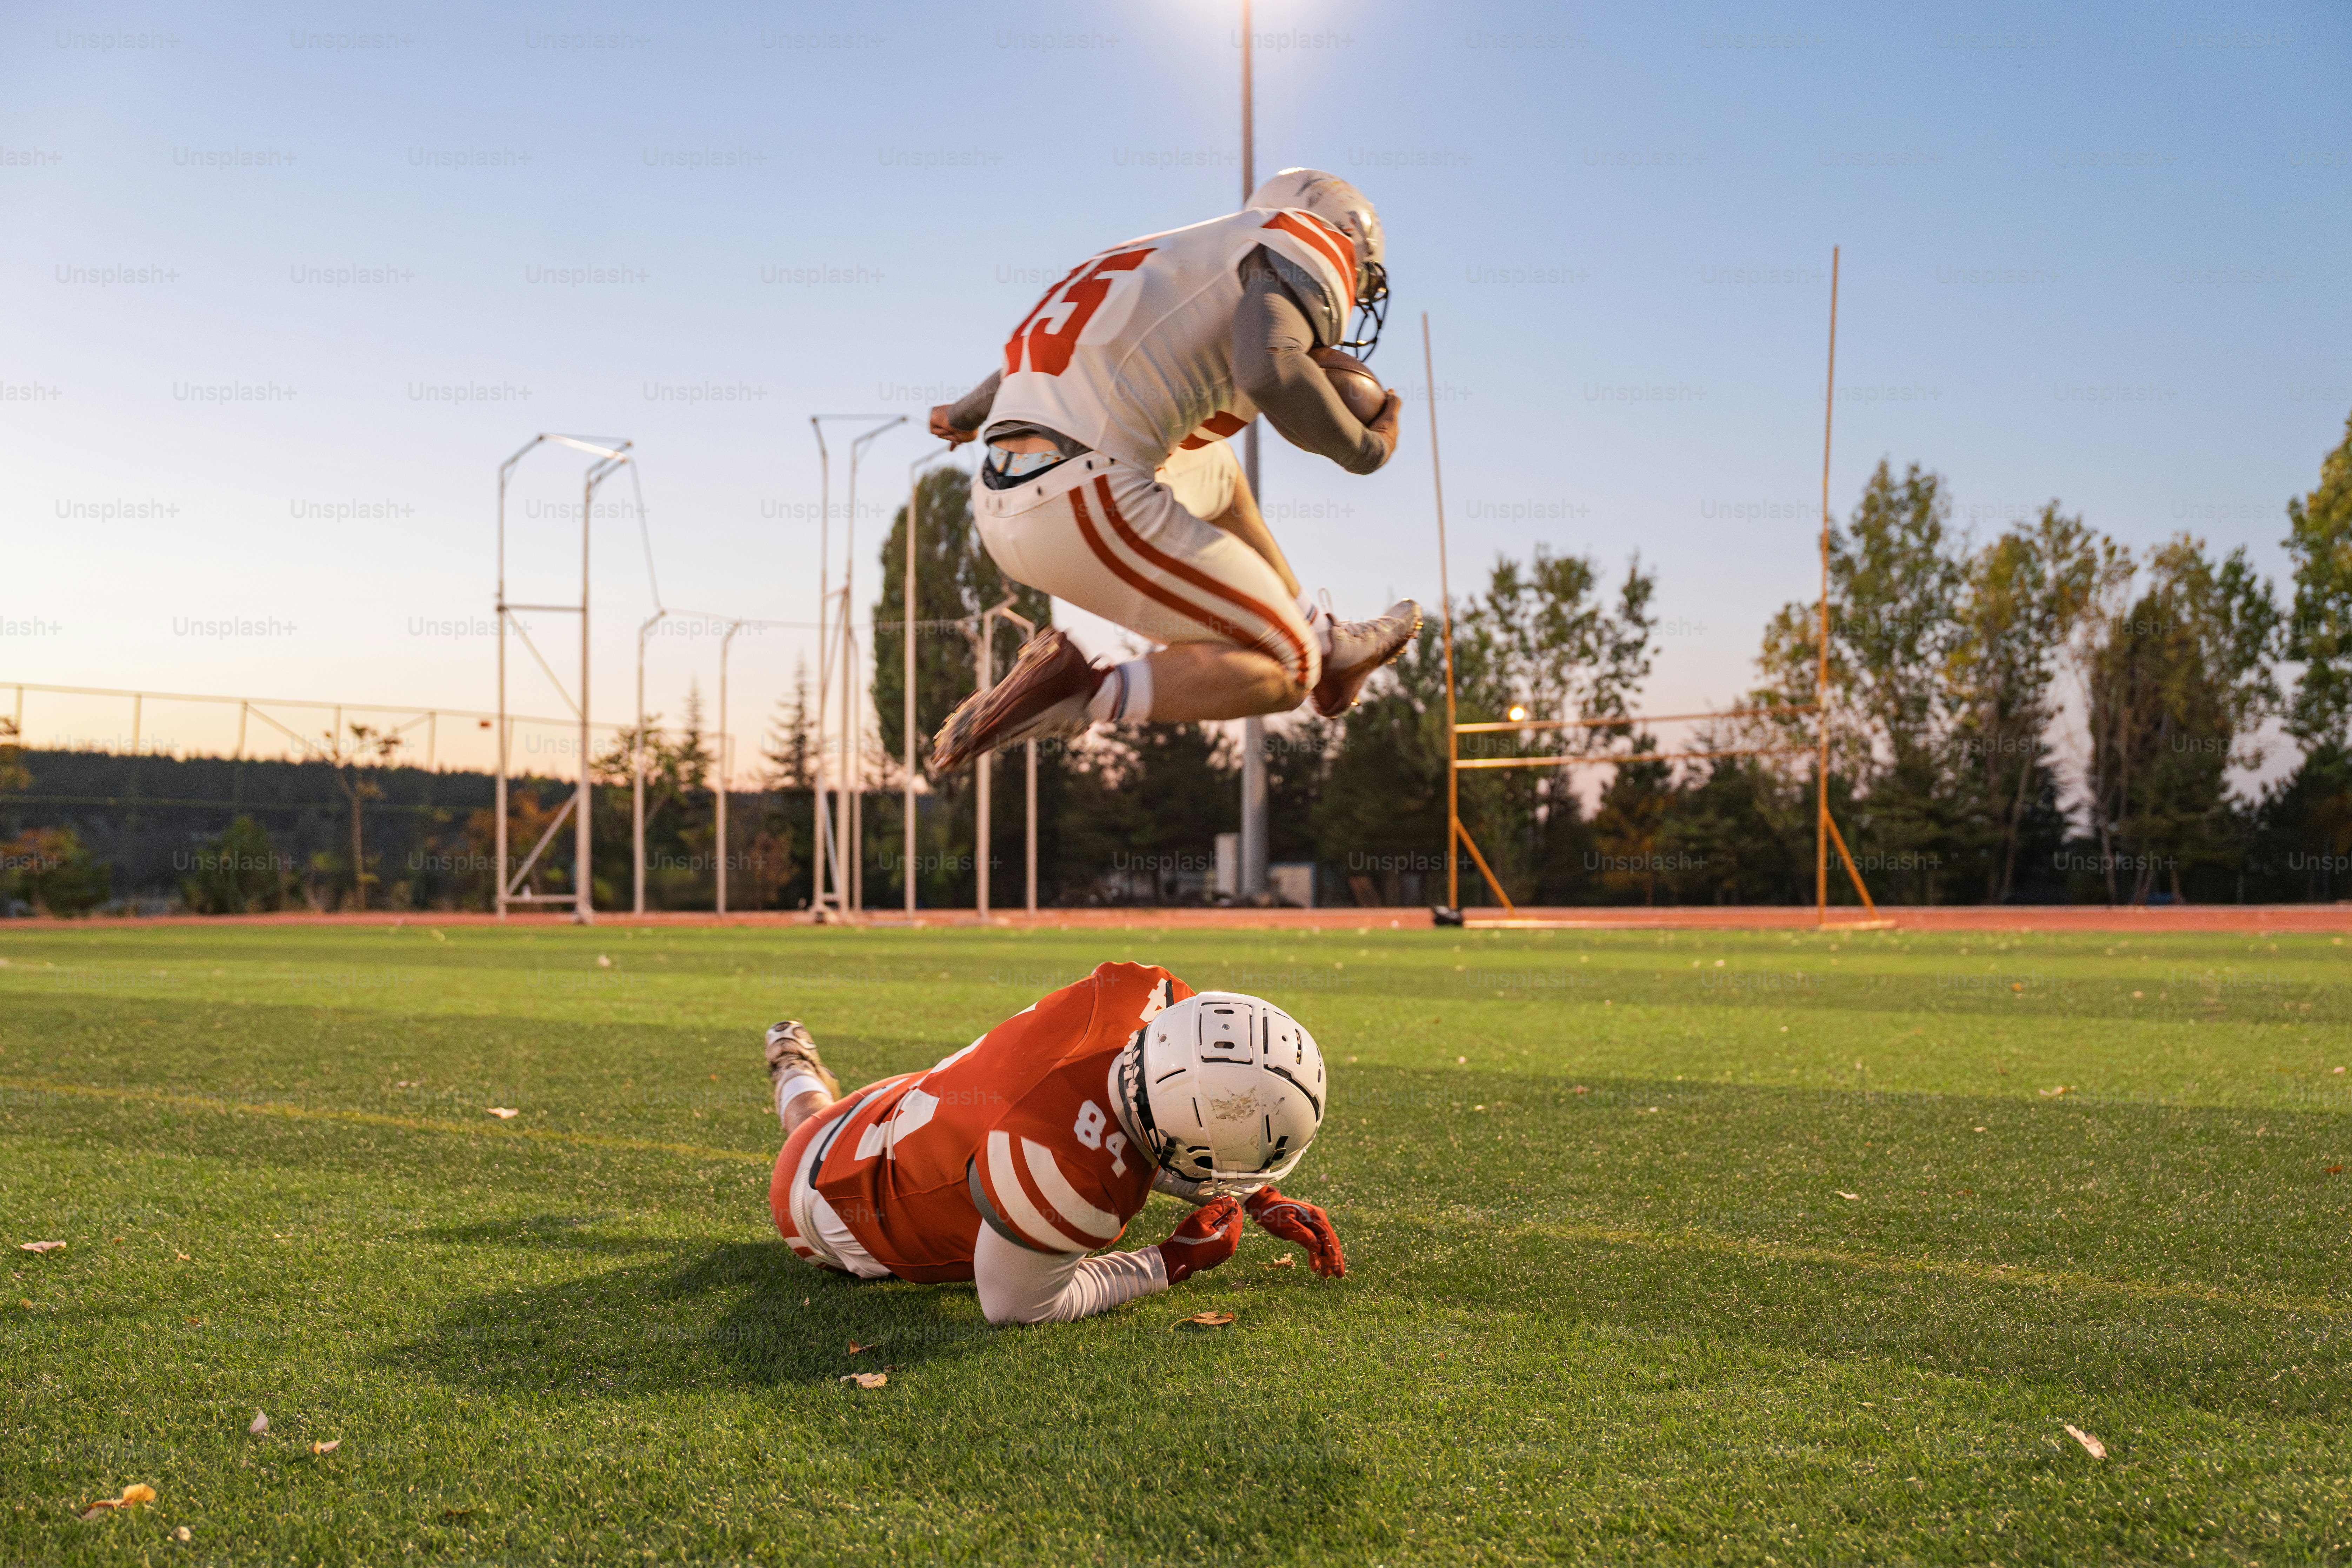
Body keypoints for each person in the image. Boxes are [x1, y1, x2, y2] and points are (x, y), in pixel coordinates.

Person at [925, 168, 1422, 771]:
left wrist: (960, 415)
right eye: (1362, 275)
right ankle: (1084, 690)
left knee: (1220, 477)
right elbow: (1268, 371)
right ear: (1345, 235)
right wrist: (1368, 450)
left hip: (1007, 492)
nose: (1355, 288)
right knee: (1289, 667)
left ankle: (1328, 639)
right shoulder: (1307, 238)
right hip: (1081, 496)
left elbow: (1016, 375)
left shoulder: (1160, 254)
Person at [763, 962, 1345, 1325]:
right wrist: (1174, 1260)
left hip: (913, 1101)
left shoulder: (1142, 995)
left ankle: (793, 1065)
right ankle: (794, 1074)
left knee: (817, 1112)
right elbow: (1015, 1306)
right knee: (808, 1127)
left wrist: (1260, 1197)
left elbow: (1140, 1116)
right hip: (822, 1204)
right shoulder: (1059, 1174)